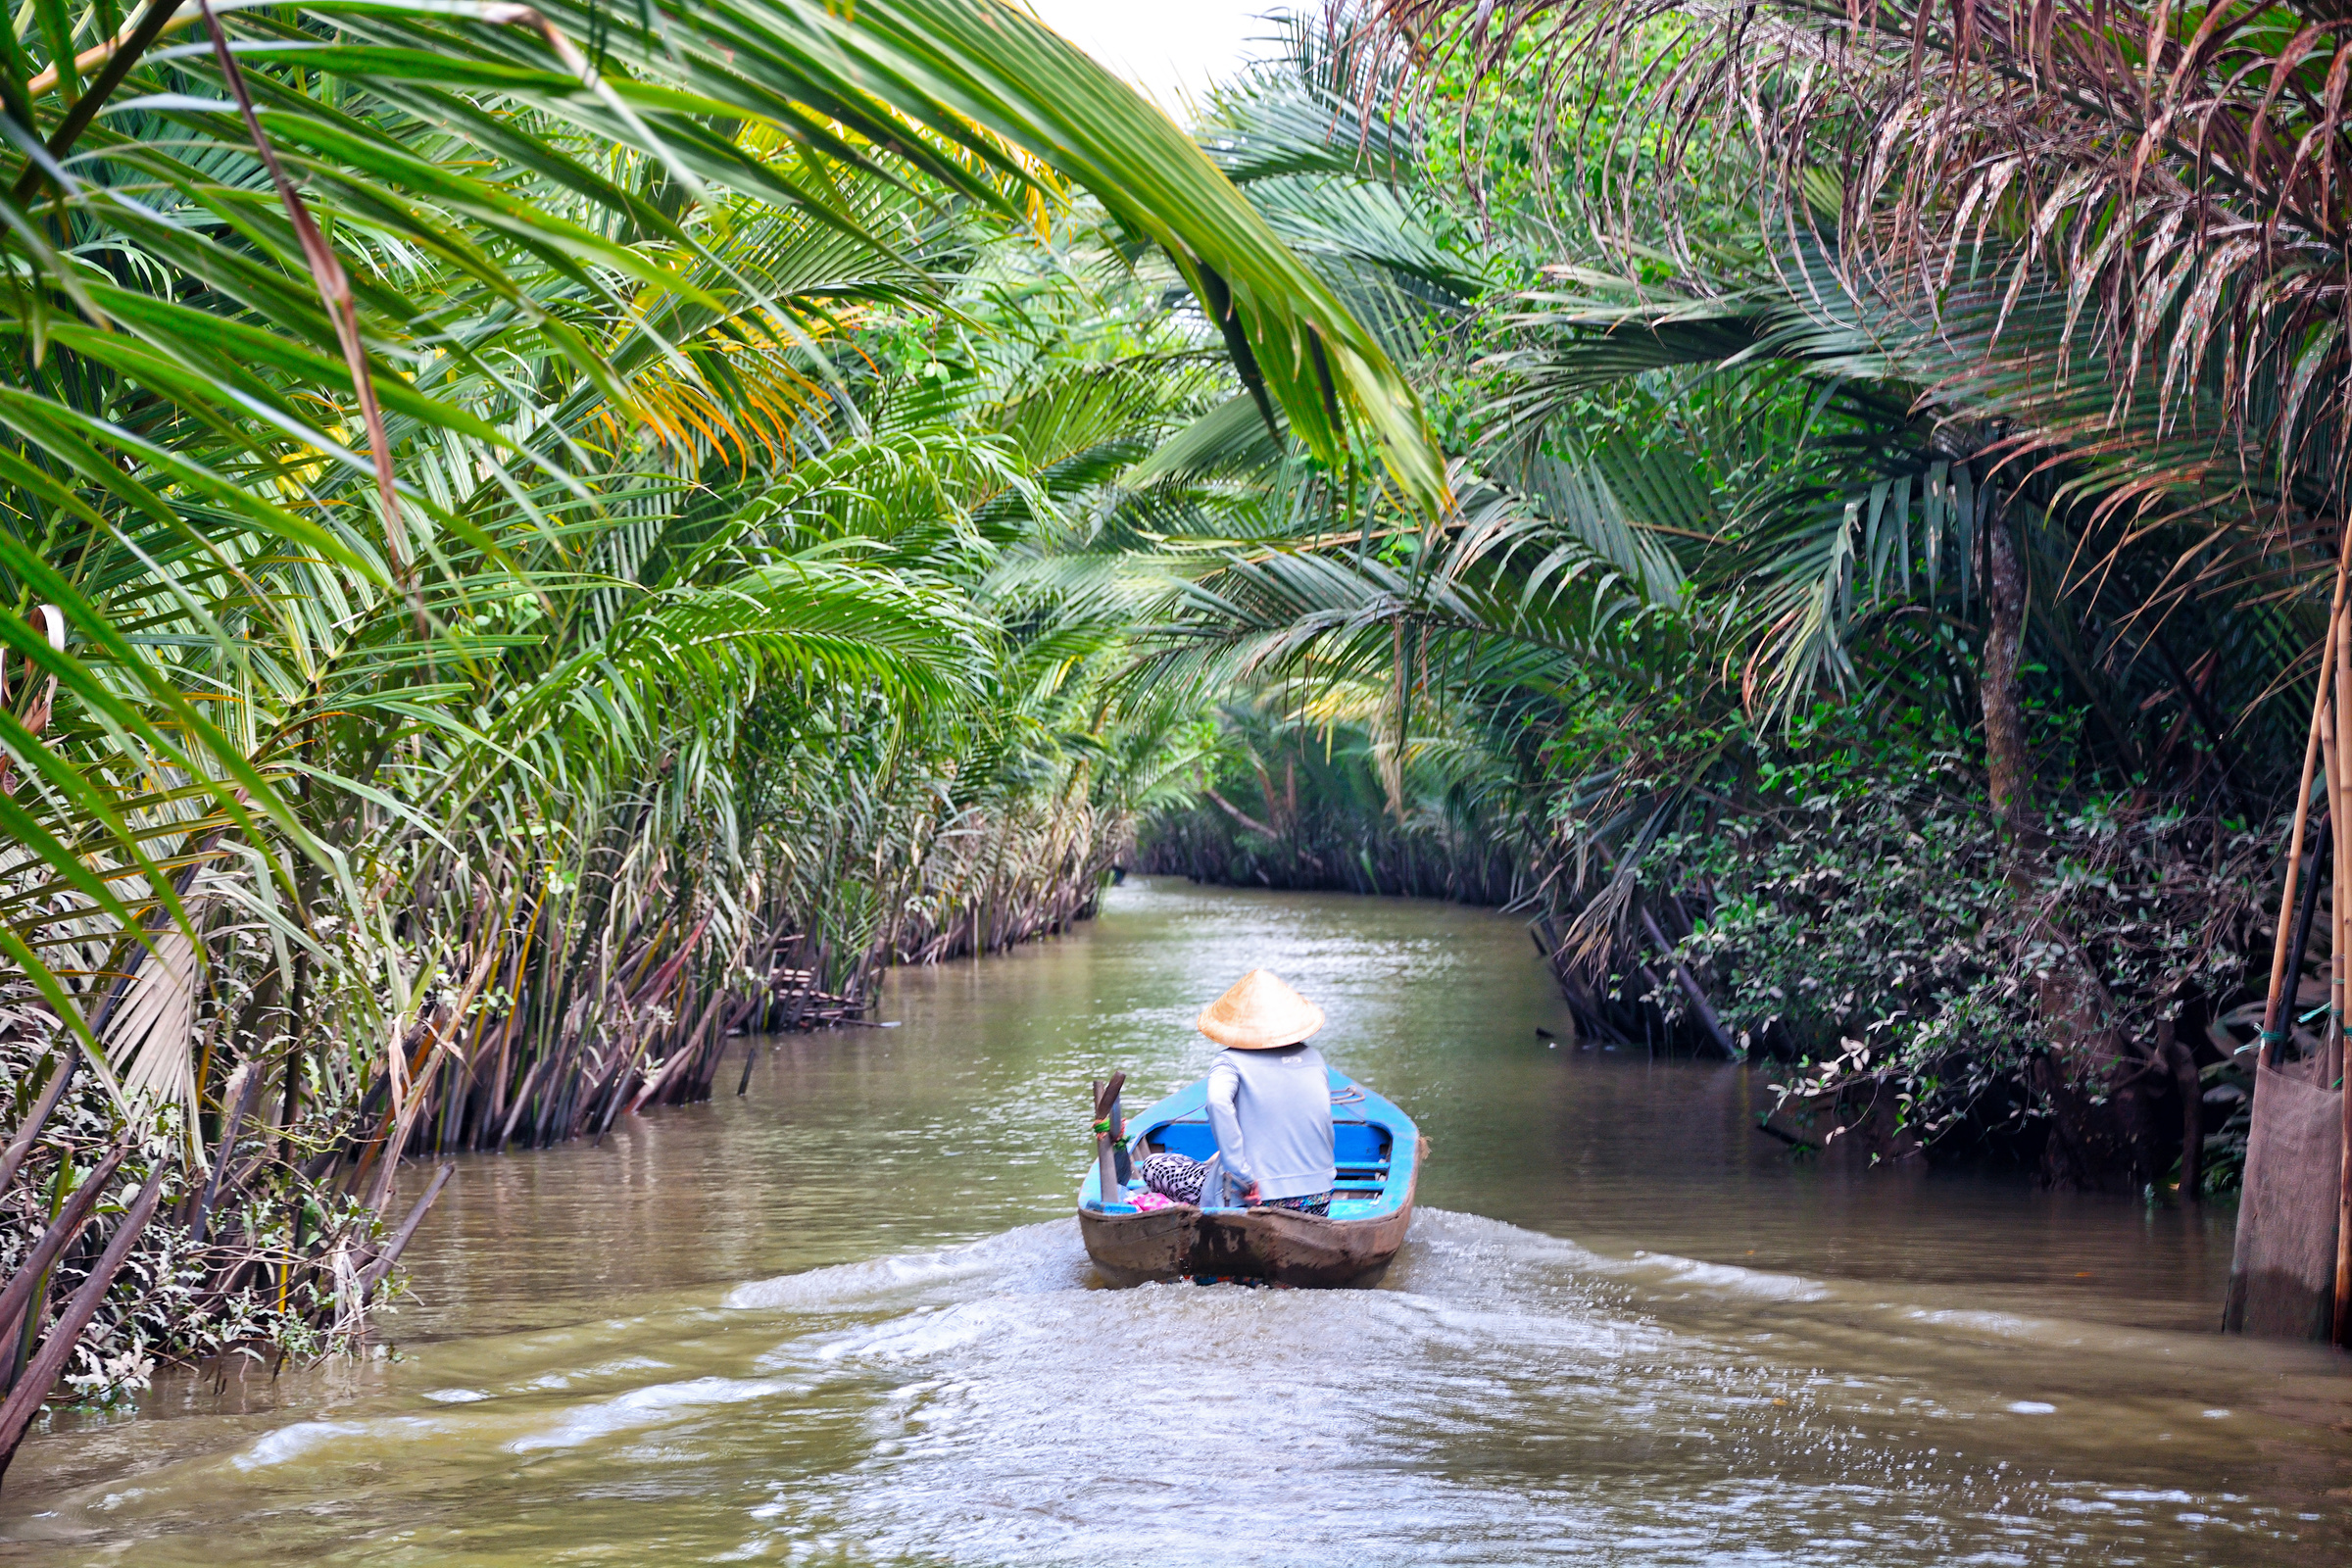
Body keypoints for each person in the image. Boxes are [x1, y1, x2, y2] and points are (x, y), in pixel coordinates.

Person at [1137, 969, 1337, 1216]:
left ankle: (1197, 1210)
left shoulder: (1230, 1060)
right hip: (1317, 1200)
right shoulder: (1314, 1058)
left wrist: (1244, 1176)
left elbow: (1218, 1103)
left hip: (1254, 1199)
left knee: (1155, 1165)